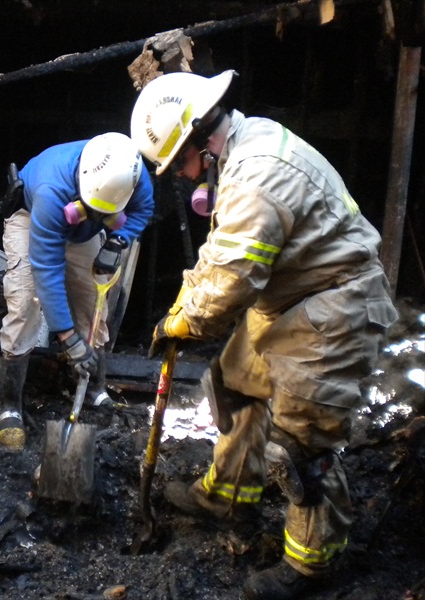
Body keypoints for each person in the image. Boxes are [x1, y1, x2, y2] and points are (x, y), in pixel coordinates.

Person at [130, 70, 398, 600]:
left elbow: (232, 278)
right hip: (292, 295)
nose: (180, 178)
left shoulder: (255, 176)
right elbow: (221, 253)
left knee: (300, 444)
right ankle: (227, 496)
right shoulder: (239, 154)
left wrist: (187, 321)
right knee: (233, 382)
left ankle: (312, 564)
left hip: (334, 305)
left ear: (203, 141)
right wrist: (180, 307)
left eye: (179, 164)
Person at [0, 132, 155, 451]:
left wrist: (117, 240)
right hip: (33, 218)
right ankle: (8, 405)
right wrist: (67, 339)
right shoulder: (52, 192)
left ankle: (93, 389)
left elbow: (142, 210)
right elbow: (48, 272)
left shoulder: (131, 173)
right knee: (25, 303)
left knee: (91, 303)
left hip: (85, 230)